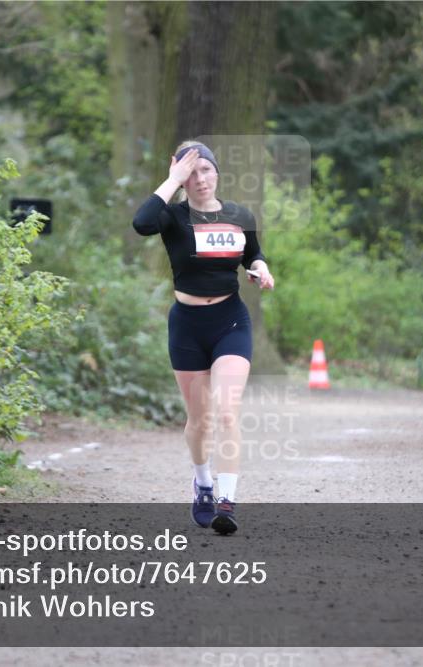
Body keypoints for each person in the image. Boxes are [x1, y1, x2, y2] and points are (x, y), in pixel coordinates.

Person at [131, 141, 274, 535]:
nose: (200, 179)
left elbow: (254, 254)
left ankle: (227, 500)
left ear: (217, 173)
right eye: (191, 174)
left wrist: (260, 269)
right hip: (188, 326)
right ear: (182, 179)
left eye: (205, 170)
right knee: (200, 421)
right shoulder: (173, 217)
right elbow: (141, 223)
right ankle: (203, 483)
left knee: (227, 411)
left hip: (230, 321)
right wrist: (171, 180)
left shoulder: (238, 215)